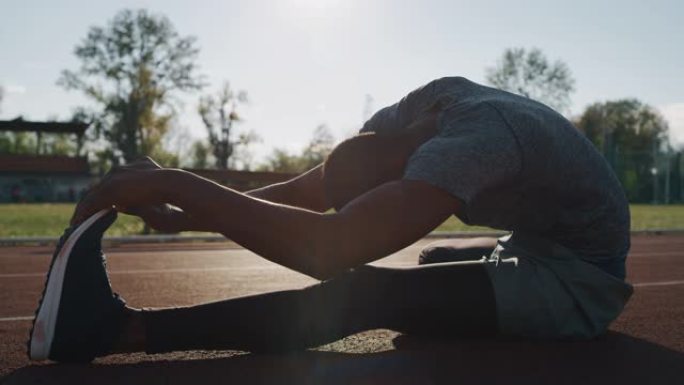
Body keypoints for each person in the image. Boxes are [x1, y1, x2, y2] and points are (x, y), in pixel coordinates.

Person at [28, 77, 633, 363]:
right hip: (531, 243)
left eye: (379, 198)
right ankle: (472, 286)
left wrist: (168, 181)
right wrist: (186, 212)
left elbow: (328, 248)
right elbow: (312, 192)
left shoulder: (470, 145)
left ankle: (113, 332)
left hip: (579, 279)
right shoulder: (425, 106)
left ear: (410, 170)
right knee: (424, 269)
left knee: (361, 292)